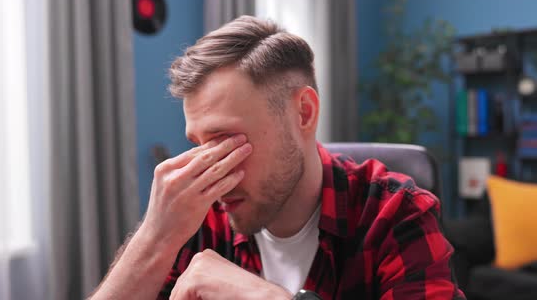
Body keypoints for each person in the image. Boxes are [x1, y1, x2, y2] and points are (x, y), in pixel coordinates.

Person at [90, 16, 465, 300]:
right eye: (200, 145)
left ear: (303, 113)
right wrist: (155, 236)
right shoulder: (198, 217)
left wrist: (262, 295)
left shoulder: (395, 214)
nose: (211, 169)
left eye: (225, 142)